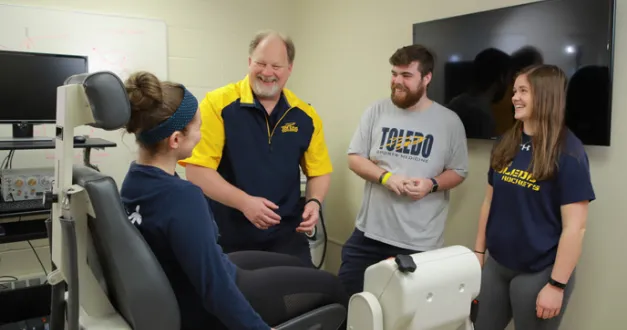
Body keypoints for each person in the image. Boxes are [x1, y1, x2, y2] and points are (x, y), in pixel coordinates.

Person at [119, 71, 348, 330]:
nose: (201, 134)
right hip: (207, 302)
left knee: (294, 263)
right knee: (333, 287)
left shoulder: (133, 181)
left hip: (202, 274)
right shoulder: (183, 198)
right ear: (175, 140)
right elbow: (214, 289)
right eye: (197, 127)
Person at [178, 30, 332, 266]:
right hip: (228, 236)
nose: (267, 73)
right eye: (260, 63)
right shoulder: (218, 104)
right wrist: (245, 203)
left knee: (301, 296)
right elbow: (197, 171)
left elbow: (319, 170)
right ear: (250, 62)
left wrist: (314, 201)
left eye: (276, 66)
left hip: (287, 238)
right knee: (240, 300)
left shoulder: (305, 116)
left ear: (289, 68)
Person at [338, 44, 469, 297]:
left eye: (406, 76)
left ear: (426, 78)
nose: (397, 82)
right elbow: (355, 158)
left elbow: (459, 171)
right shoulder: (377, 111)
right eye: (394, 74)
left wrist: (430, 184)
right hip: (368, 235)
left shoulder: (449, 121)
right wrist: (385, 177)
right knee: (347, 304)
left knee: (405, 316)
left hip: (419, 243)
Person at [472, 64, 595, 330]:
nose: (514, 97)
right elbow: (488, 202)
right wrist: (478, 252)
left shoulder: (568, 153)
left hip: (540, 272)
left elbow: (575, 228)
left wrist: (556, 285)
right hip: (497, 266)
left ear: (545, 95)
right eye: (515, 90)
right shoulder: (505, 142)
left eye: (523, 91)